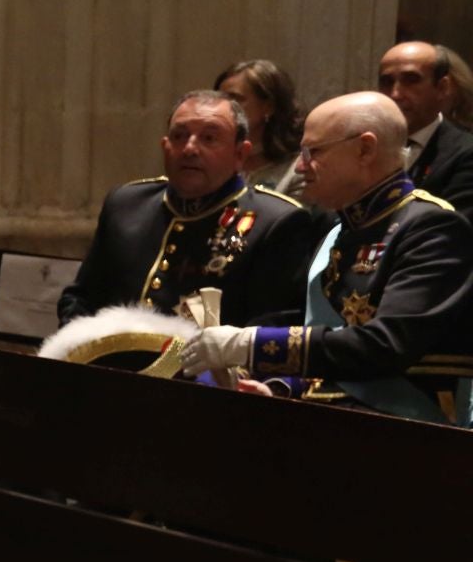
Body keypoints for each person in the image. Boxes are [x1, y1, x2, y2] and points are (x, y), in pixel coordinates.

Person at [182, 92, 473, 425]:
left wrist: (253, 344)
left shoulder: (433, 227)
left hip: (410, 434)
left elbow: (385, 346)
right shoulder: (340, 229)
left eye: (313, 152)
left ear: (365, 148)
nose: (301, 166)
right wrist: (280, 388)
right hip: (339, 425)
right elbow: (325, 338)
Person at [58, 91, 316, 328]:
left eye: (209, 138)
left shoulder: (276, 222)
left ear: (240, 154)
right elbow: (82, 298)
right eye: (179, 136)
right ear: (165, 145)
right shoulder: (126, 203)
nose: (190, 148)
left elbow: (269, 332)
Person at [377, 40, 473, 215]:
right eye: (386, 82)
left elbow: (452, 229)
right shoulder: (365, 144)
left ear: (442, 88)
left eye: (411, 80)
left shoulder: (465, 154)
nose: (395, 94)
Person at [213, 59, 304, 194]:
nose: (223, 107)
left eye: (235, 99)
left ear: (268, 107)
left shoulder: (298, 170)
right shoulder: (210, 161)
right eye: (219, 99)